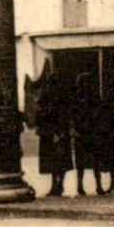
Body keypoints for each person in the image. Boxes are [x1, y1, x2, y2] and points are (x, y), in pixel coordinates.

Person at [34, 62, 71, 198]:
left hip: (52, 133)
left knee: (55, 161)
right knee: (59, 161)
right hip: (54, 133)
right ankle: (58, 184)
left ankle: (56, 185)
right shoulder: (59, 101)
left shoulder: (52, 101)